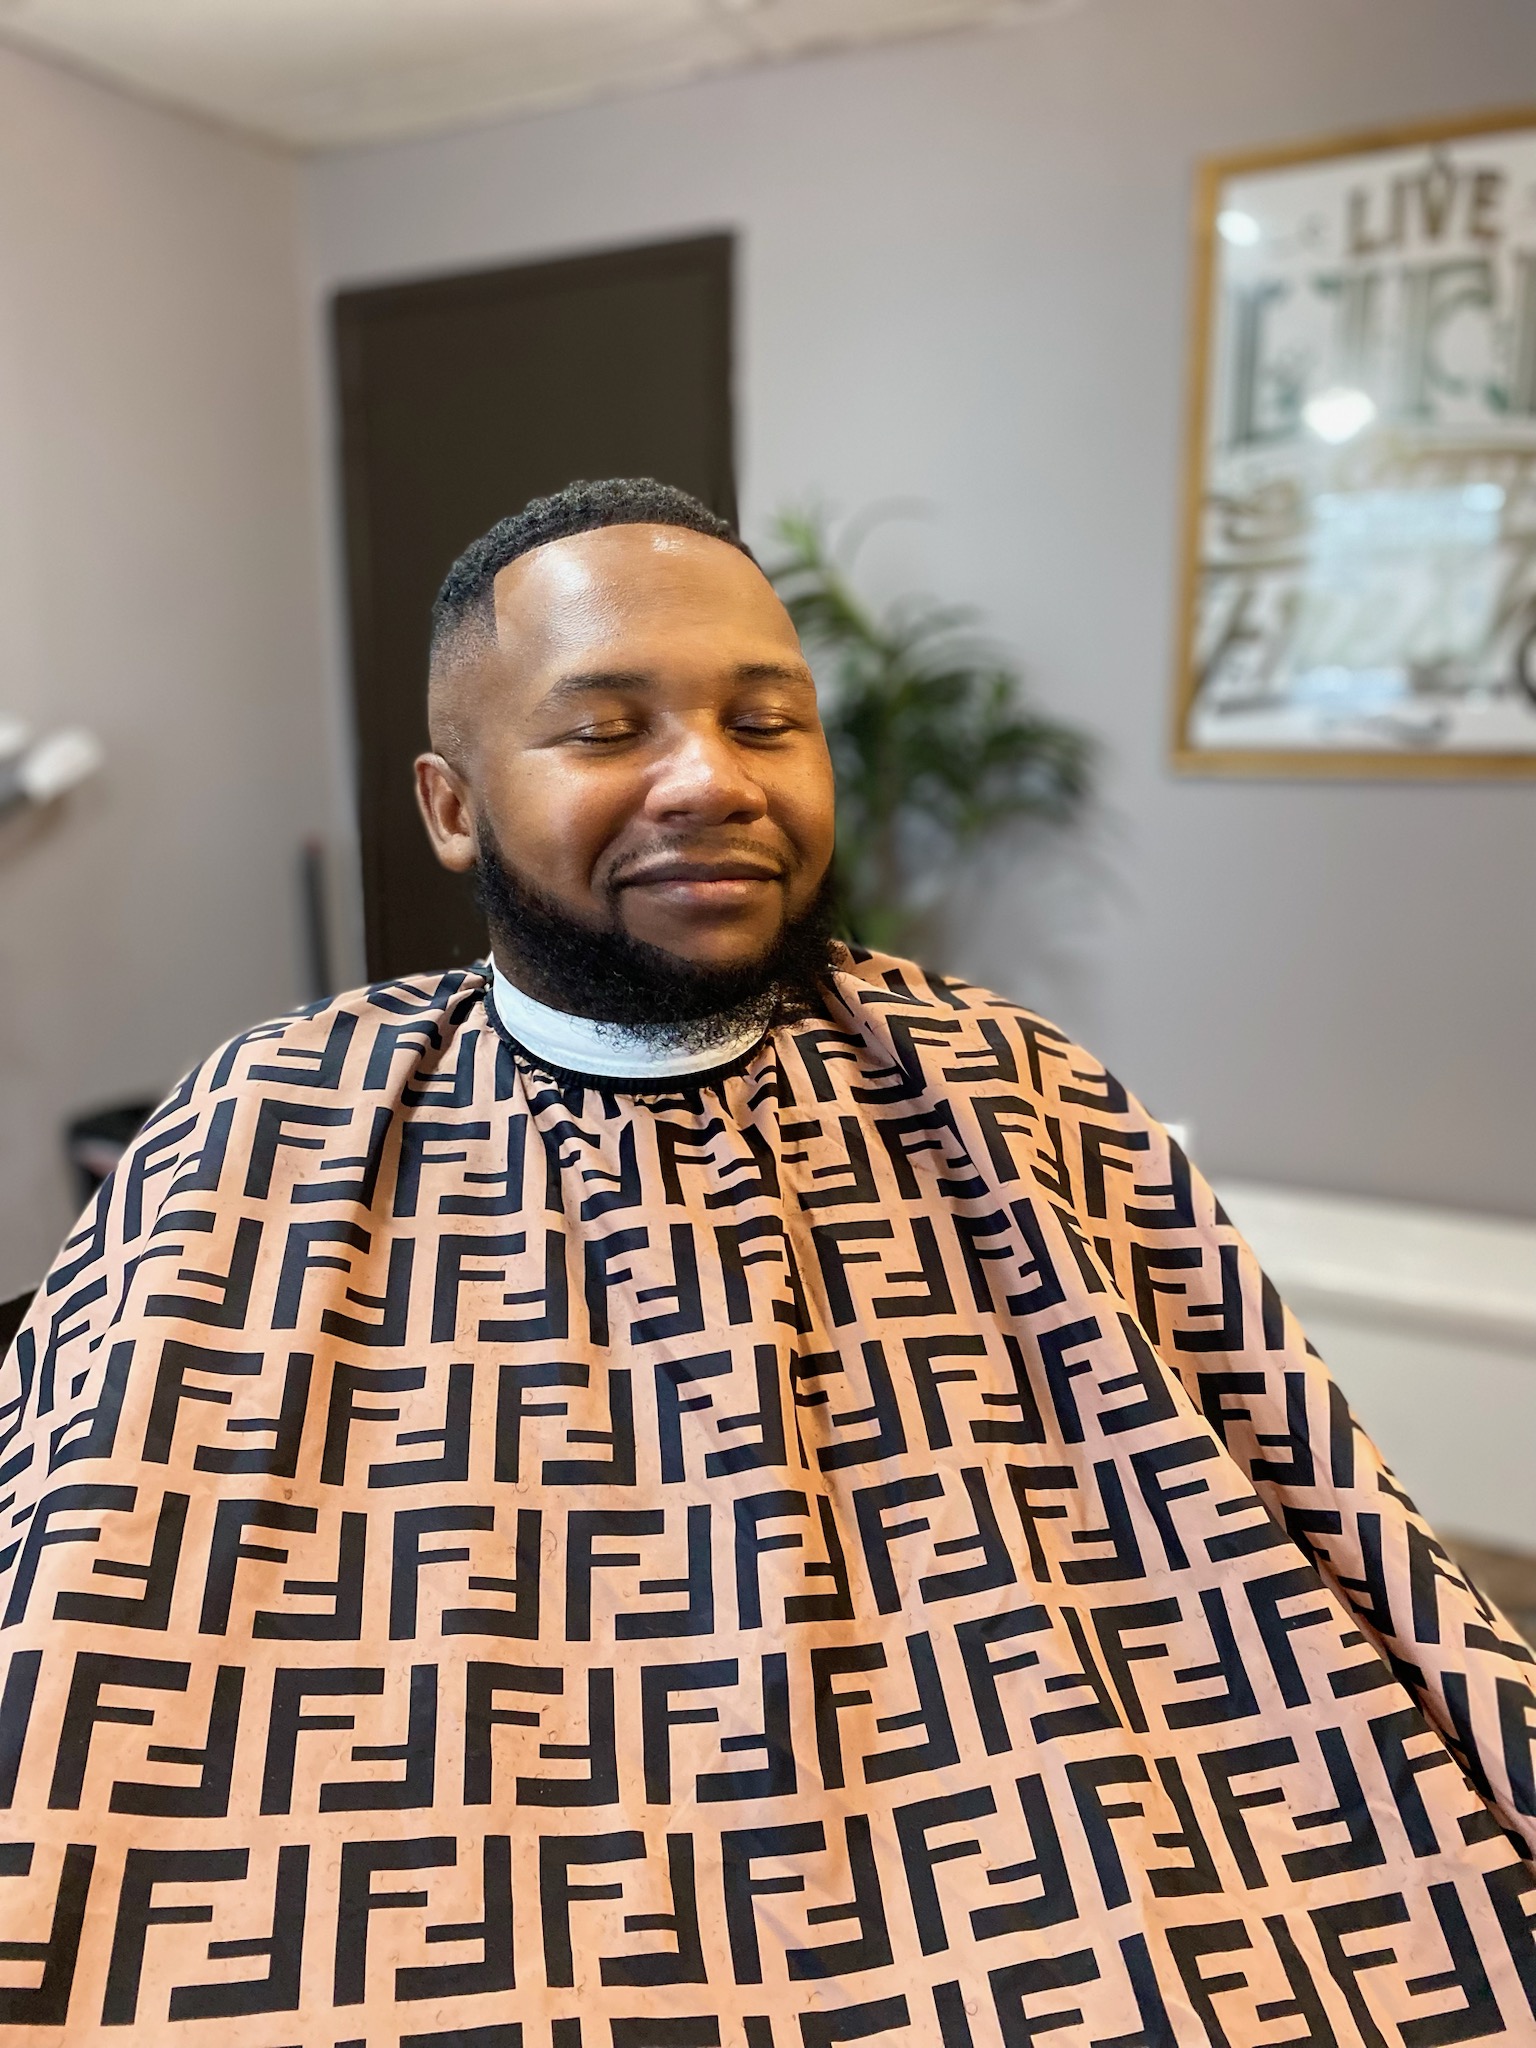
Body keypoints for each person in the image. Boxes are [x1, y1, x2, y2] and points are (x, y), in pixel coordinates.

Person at [1, 477, 1533, 2048]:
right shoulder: (270, 1122)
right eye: (607, 731)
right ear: (452, 807)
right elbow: (82, 1598)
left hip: (1029, 1819)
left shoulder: (1006, 1082)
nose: (708, 781)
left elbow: (1308, 1513)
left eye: (765, 722)